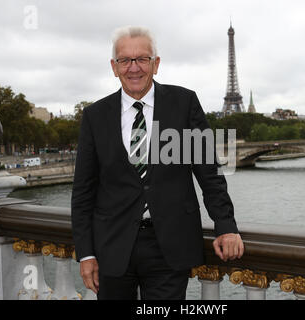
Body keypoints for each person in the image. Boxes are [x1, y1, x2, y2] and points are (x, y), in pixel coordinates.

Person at [71, 26, 244, 300]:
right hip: (112, 246)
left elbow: (208, 172)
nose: (134, 68)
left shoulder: (184, 103)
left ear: (156, 64)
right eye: (125, 60)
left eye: (142, 59)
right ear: (114, 67)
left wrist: (226, 226)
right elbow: (83, 191)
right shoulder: (95, 116)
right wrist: (86, 253)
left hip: (170, 245)